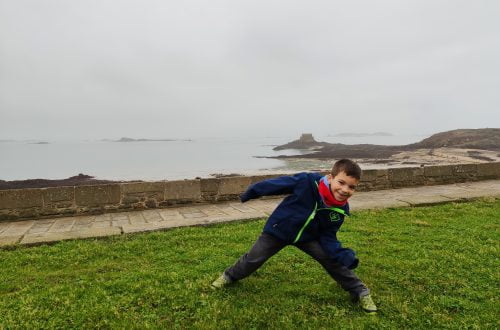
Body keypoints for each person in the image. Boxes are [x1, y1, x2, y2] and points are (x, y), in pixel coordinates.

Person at [211, 159, 377, 314]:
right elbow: (278, 184)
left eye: (351, 187)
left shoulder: (339, 210)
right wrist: (253, 191)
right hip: (279, 230)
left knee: (331, 260)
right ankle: (229, 276)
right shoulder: (307, 181)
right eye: (341, 182)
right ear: (330, 177)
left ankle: (360, 291)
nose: (345, 190)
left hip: (308, 237)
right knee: (254, 258)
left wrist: (341, 253)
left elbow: (328, 235)